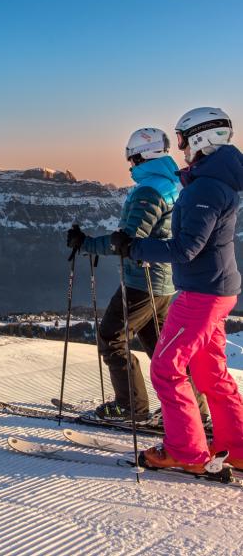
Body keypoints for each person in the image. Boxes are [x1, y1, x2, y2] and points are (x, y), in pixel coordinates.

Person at [113, 107, 243, 473]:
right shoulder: (214, 180)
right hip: (217, 289)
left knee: (166, 369)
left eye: (183, 139)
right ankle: (237, 447)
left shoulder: (205, 188)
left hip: (201, 293)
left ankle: (185, 452)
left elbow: (186, 247)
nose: (181, 146)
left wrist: (134, 248)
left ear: (201, 138)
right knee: (209, 372)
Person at [68, 128, 209, 425]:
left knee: (111, 337)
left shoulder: (149, 190)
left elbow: (129, 240)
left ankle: (130, 406)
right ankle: (194, 411)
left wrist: (86, 244)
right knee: (165, 351)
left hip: (141, 283)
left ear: (142, 156)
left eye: (131, 159)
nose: (130, 165)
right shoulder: (172, 182)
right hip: (164, 284)